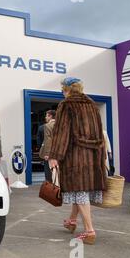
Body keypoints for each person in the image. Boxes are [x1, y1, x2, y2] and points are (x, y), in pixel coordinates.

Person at [48, 77, 106, 245]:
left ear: (66, 89)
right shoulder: (92, 104)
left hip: (75, 156)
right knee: (80, 190)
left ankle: (89, 231)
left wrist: (54, 155)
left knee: (79, 191)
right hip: (93, 155)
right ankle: (72, 221)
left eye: (62, 90)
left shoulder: (66, 104)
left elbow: (61, 132)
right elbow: (99, 133)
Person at [39, 110, 56, 182]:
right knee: (57, 174)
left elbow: (48, 140)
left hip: (50, 154)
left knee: (49, 174)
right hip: (59, 152)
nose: (45, 117)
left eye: (46, 116)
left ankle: (51, 191)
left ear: (50, 116)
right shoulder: (61, 125)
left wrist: (47, 154)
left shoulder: (48, 126)